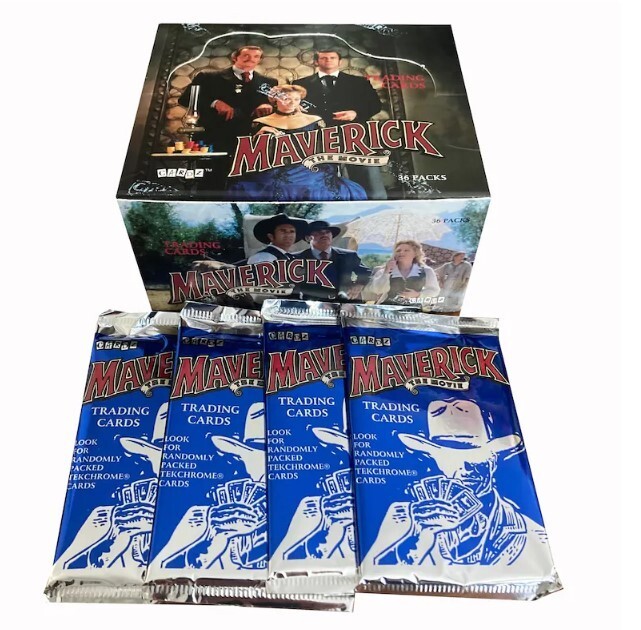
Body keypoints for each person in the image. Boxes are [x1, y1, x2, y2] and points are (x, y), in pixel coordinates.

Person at [367, 398, 550, 568]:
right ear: (436, 461)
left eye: (476, 456)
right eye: (450, 457)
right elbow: (377, 569)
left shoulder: (536, 537)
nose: (465, 468)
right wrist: (417, 540)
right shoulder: (401, 520)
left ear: (493, 460)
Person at [227, 85, 367, 201]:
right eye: (286, 99)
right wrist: (259, 134)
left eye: (296, 99)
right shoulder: (260, 122)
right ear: (275, 100)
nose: (292, 103)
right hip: (274, 167)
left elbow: (325, 147)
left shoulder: (314, 120)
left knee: (311, 185)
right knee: (269, 186)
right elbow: (249, 152)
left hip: (307, 167)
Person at [294, 49, 386, 198]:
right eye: (324, 58)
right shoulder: (300, 84)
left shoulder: (359, 82)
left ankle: (376, 202)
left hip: (355, 135)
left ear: (340, 62)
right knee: (320, 178)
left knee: (367, 176)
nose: (328, 60)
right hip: (317, 138)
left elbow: (375, 105)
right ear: (316, 62)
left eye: (332, 58)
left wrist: (355, 113)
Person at [178, 45, 277, 154]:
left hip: (253, 140)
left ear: (259, 60)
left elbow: (280, 106)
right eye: (246, 55)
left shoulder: (269, 82)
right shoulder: (208, 77)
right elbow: (185, 99)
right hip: (214, 137)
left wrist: (268, 105)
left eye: (256, 56)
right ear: (234, 57)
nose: (251, 59)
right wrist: (214, 103)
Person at [295, 219, 371, 301]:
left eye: (327, 232)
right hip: (310, 304)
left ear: (332, 236)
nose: (324, 235)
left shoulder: (348, 255)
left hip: (344, 302)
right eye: (319, 232)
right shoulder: (297, 258)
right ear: (308, 238)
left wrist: (359, 284)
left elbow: (366, 272)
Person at [366, 240, 440, 305]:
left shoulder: (427, 271)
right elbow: (377, 290)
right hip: (388, 308)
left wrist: (418, 295)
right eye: (398, 250)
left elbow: (434, 291)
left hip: (413, 310)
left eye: (406, 250)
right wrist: (386, 272)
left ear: (415, 253)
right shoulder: (384, 271)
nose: (401, 252)